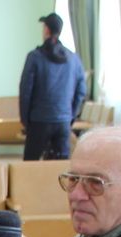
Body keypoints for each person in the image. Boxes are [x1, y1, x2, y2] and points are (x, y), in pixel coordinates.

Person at [19, 13, 87, 160]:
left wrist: (25, 120)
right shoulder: (73, 59)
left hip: (38, 121)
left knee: (30, 167)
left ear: (46, 30)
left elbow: (25, 91)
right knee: (59, 169)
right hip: (63, 121)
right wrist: (71, 115)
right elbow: (81, 91)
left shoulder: (35, 57)